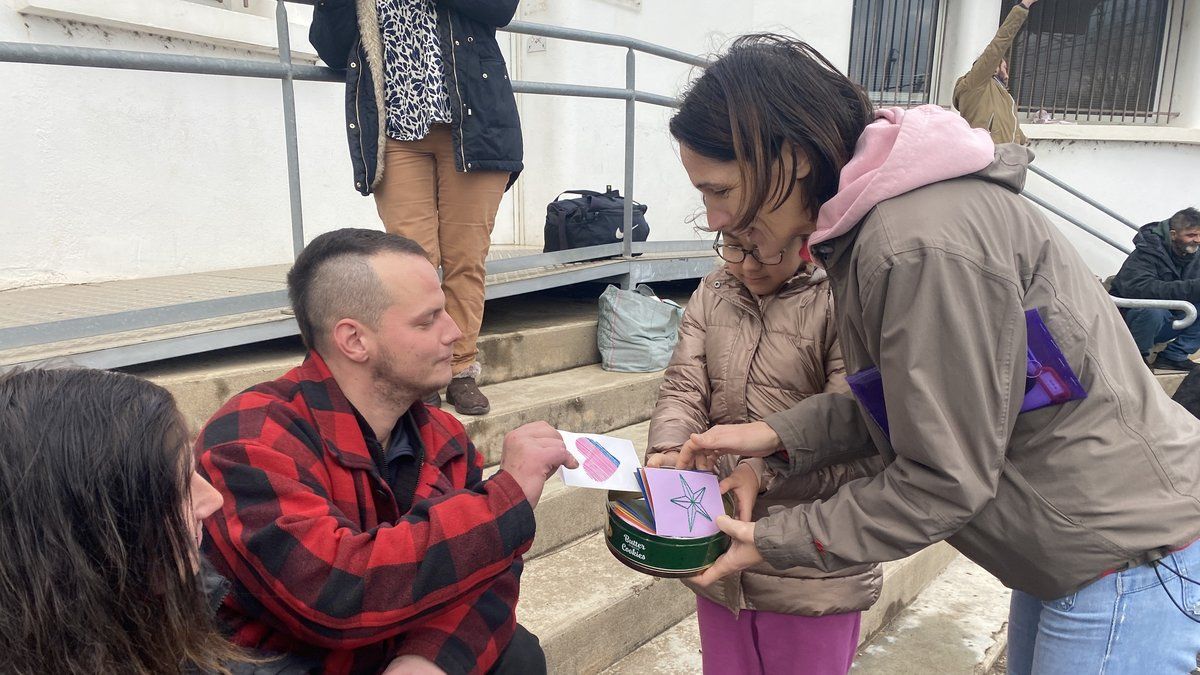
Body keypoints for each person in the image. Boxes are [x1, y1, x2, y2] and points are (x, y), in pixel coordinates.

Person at [668, 34, 1200, 674]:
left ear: (790, 158)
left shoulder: (916, 244)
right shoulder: (883, 225)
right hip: (1079, 550)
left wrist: (775, 539)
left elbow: (946, 474)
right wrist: (776, 435)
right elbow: (917, 399)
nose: (716, 218)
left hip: (1123, 555)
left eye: (719, 189)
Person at [196, 229, 577, 674]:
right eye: (427, 319)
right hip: (287, 659)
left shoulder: (444, 437)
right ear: (354, 340)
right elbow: (333, 589)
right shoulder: (248, 437)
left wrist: (428, 659)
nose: (453, 331)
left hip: (394, 650)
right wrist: (506, 498)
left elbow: (490, 573)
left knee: (518, 655)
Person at [645, 228, 881, 675]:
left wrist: (763, 469)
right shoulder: (713, 291)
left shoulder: (841, 297)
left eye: (764, 249)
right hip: (720, 552)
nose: (747, 265)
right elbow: (683, 387)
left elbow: (854, 431)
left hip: (812, 563)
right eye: (733, 246)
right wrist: (670, 449)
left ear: (803, 239)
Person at [0, 368, 312, 674]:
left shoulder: (156, 605)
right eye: (177, 486)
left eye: (193, 470)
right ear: (84, 526)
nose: (213, 500)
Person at [309, 0, 524, 415]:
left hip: (473, 127)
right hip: (396, 133)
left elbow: (501, 9)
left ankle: (460, 368)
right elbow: (331, 49)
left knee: (466, 259)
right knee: (411, 265)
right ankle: (422, 371)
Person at [1108, 207, 1200, 372]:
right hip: (1129, 322)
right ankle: (1136, 358)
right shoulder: (1146, 252)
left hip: (1171, 319)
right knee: (1153, 310)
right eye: (1191, 235)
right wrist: (1192, 288)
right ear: (1173, 235)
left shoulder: (1194, 255)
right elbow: (1139, 290)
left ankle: (1174, 356)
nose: (1197, 240)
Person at [953, 0, 1038, 145]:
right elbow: (998, 45)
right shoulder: (977, 83)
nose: (1007, 74)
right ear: (994, 67)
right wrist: (1024, 6)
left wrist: (1023, 140)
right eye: (1004, 67)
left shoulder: (1001, 95)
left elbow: (1006, 125)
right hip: (989, 161)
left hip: (1007, 160)